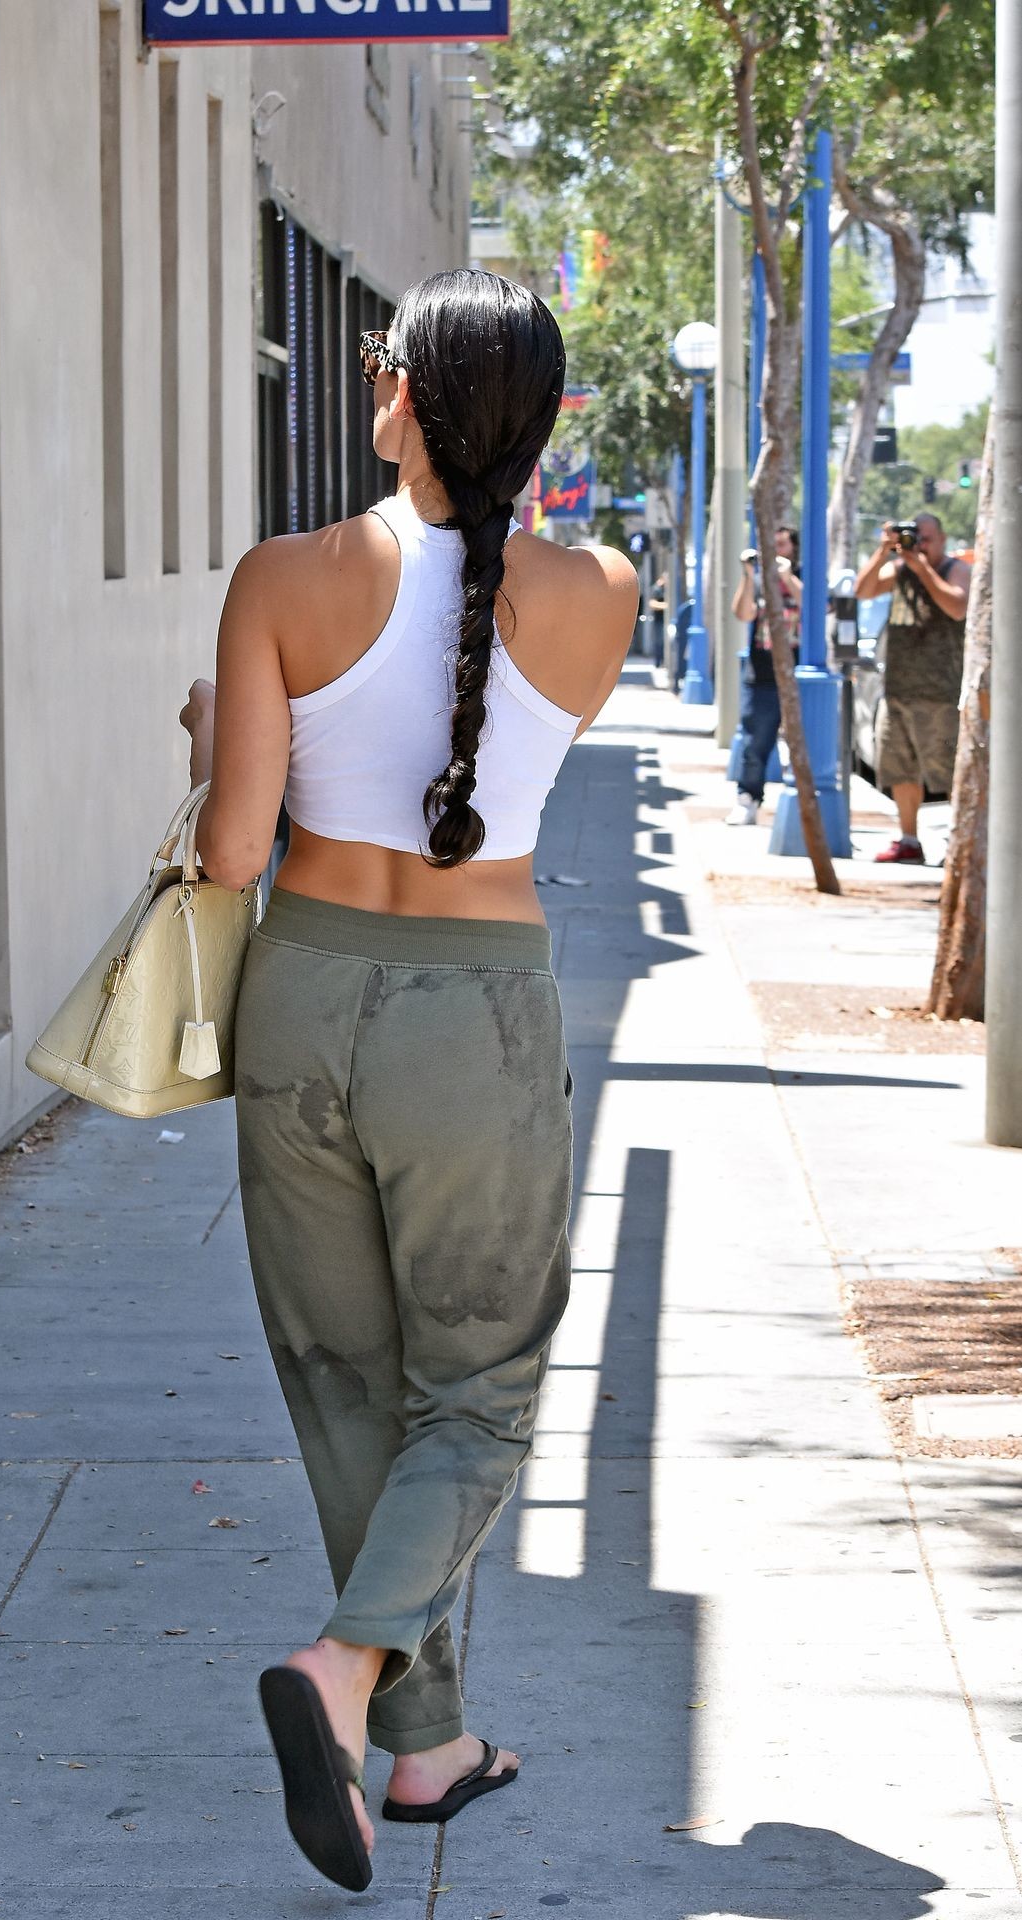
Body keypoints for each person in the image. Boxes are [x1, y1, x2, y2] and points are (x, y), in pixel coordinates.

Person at [177, 269, 637, 1893]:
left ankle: (417, 1737)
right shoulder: (601, 592)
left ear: (408, 396)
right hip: (476, 1020)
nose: (370, 379)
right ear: (540, 422)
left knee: (345, 1381)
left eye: (383, 359)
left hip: (302, 1000)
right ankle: (356, 1672)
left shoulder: (281, 579)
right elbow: (475, 721)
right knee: (481, 1388)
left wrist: (213, 743)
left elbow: (233, 852)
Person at [854, 512, 970, 862]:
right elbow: (863, 591)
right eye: (914, 537)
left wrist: (922, 569)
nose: (919, 545)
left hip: (941, 694)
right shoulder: (900, 569)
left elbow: (957, 607)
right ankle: (908, 840)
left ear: (943, 539)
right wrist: (882, 552)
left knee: (950, 773)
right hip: (898, 691)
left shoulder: (955, 570)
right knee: (900, 769)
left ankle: (960, 846)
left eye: (926, 539)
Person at [725, 526, 802, 826]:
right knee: (754, 742)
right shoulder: (758, 581)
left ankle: (801, 803)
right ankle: (748, 799)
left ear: (794, 548)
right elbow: (743, 614)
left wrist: (787, 577)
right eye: (772, 545)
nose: (777, 551)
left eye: (782, 545)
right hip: (762, 675)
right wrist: (748, 575)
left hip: (798, 674)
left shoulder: (803, 575)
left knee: (802, 743)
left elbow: (817, 607)